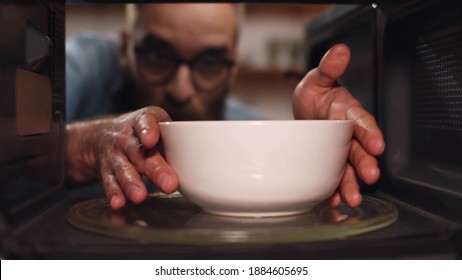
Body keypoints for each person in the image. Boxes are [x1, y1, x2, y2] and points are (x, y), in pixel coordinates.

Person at [65, 3, 385, 211]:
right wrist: (87, 144)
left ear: (234, 67)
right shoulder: (81, 69)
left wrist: (317, 142)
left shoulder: (245, 127)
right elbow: (14, 139)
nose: (181, 89)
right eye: (158, 56)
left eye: (209, 62)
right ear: (124, 48)